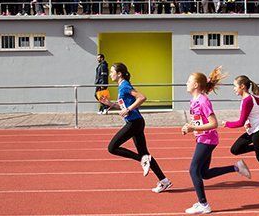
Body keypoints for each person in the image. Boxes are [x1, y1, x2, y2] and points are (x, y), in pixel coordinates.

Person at [182, 67, 251, 215]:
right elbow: (199, 121)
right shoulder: (193, 100)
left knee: (193, 170)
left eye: (188, 81)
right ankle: (236, 167)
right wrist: (190, 127)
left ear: (195, 85)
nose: (186, 83)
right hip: (203, 137)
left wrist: (193, 127)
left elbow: (214, 123)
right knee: (204, 173)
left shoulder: (203, 100)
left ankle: (203, 204)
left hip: (208, 139)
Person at [100, 63, 173, 193]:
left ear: (119, 74)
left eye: (112, 71)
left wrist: (128, 109)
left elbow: (142, 97)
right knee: (145, 154)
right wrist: (110, 104)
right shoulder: (121, 86)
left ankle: (142, 160)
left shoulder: (125, 85)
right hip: (136, 122)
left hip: (134, 123)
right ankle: (164, 181)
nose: (110, 74)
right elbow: (123, 106)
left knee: (112, 147)